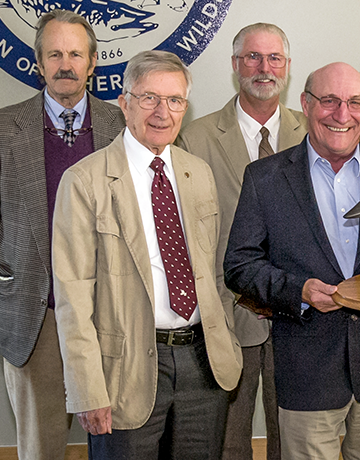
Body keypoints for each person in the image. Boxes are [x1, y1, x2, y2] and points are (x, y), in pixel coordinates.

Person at [224, 62, 360, 459]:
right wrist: (297, 290)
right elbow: (240, 264)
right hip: (307, 369)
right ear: (304, 104)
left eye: (354, 102)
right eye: (329, 101)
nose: (342, 114)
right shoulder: (265, 178)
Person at [52, 50, 242, 459]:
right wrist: (88, 388)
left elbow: (214, 272)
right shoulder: (85, 181)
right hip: (127, 371)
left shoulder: (198, 173)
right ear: (125, 103)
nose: (162, 111)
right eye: (149, 97)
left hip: (203, 365)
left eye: (174, 100)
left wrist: (226, 336)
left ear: (185, 107)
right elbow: (73, 297)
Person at [0, 9, 125, 459]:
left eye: (76, 54)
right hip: (37, 312)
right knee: (42, 445)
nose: (65, 64)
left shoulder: (122, 126)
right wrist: (31, 263)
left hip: (112, 310)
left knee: (120, 439)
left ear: (93, 63)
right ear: (38, 63)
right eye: (54, 54)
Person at [175, 23, 307, 460]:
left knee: (292, 433)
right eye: (252, 57)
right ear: (235, 65)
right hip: (227, 309)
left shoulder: (315, 134)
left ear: (287, 67)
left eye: (273, 58)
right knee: (227, 437)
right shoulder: (195, 138)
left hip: (299, 311)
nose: (263, 68)